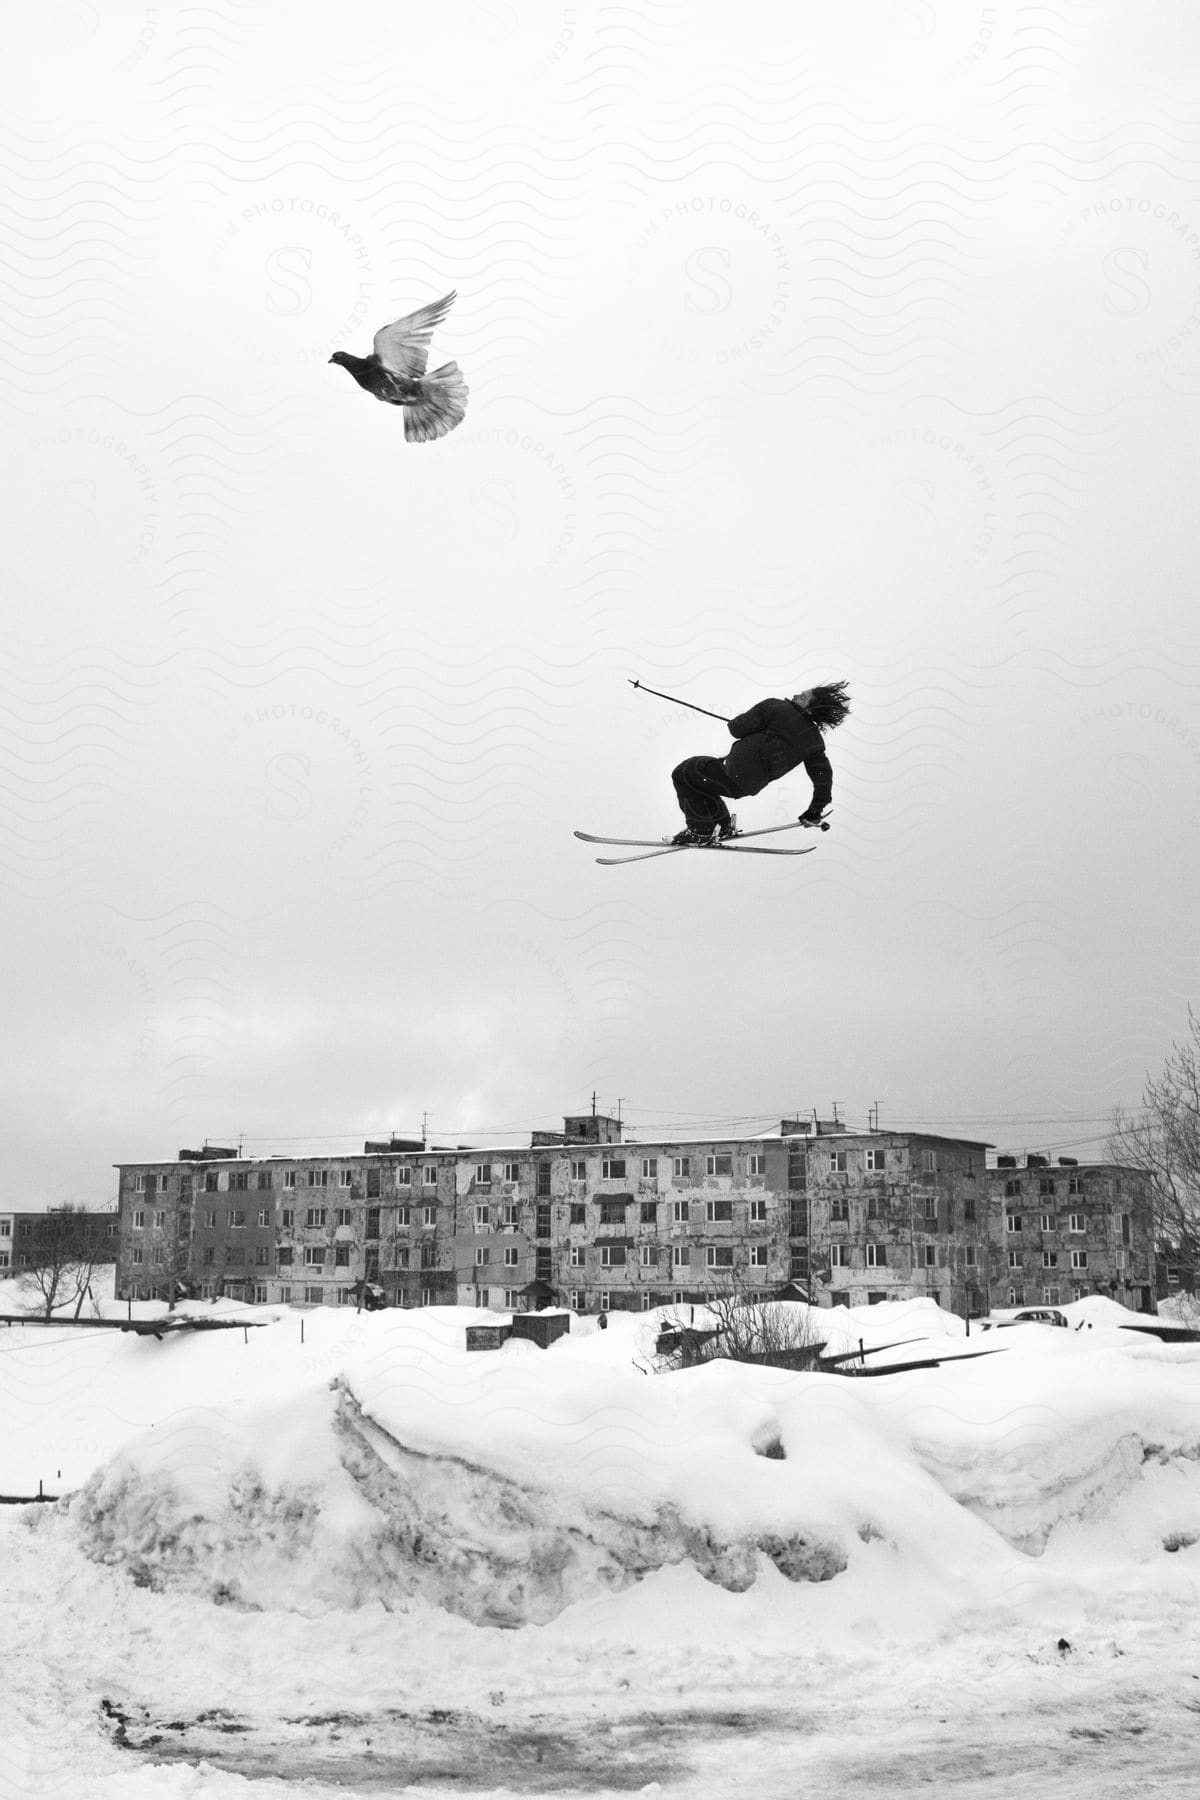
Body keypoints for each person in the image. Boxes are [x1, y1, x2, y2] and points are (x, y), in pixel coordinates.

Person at [669, 682, 850, 846]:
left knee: (683, 773)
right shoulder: (814, 742)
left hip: (733, 772)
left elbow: (737, 728)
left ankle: (700, 831)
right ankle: (721, 826)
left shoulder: (776, 707)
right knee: (701, 779)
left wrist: (739, 722)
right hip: (747, 786)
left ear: (811, 708)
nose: (795, 695)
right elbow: (823, 778)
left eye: (803, 697)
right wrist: (815, 810)